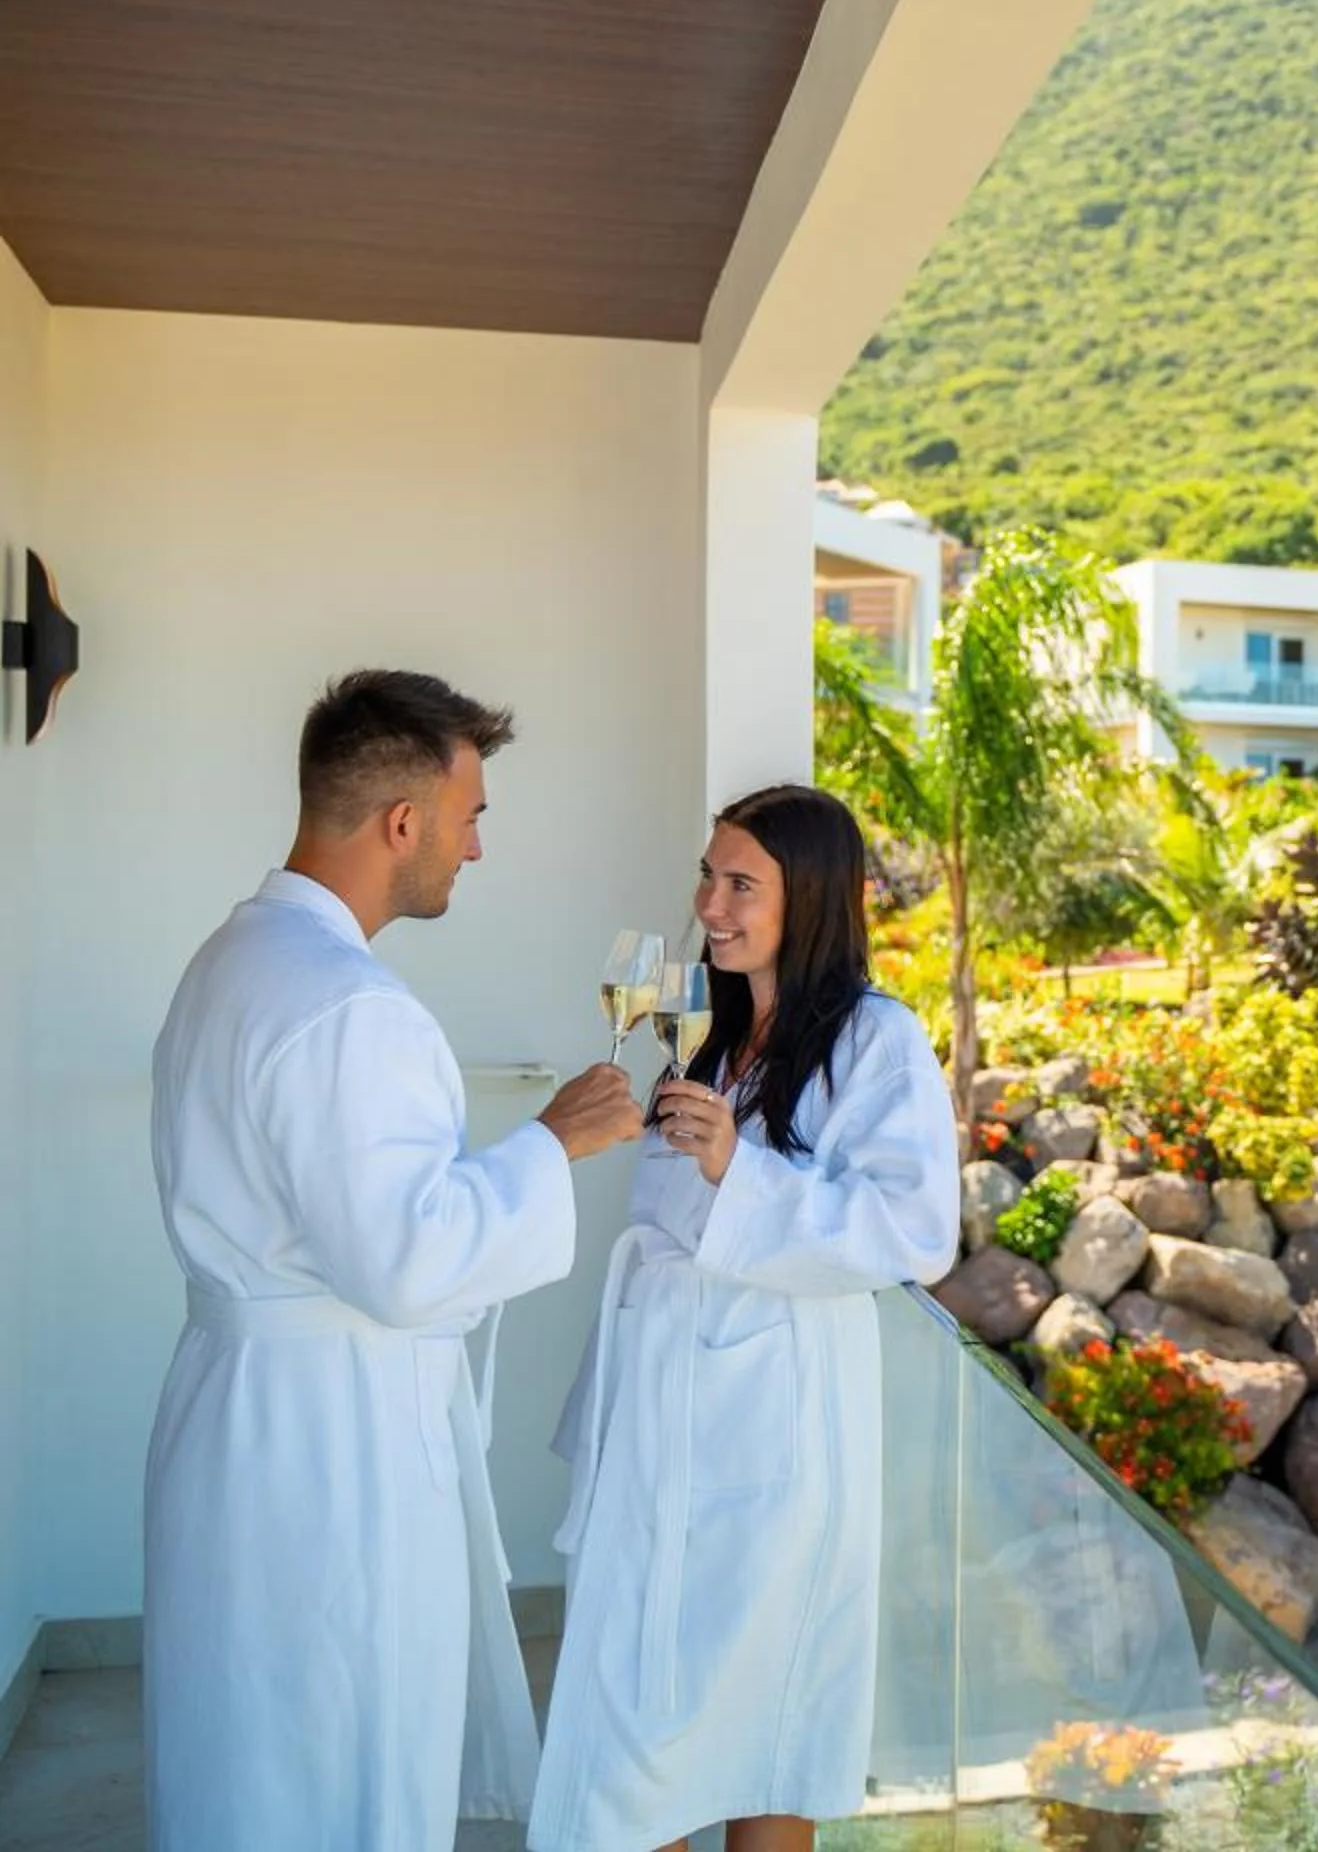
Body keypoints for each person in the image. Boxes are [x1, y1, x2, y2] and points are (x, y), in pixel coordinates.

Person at [144, 670, 648, 1848]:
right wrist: (553, 1142)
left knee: (246, 1754)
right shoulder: (349, 1006)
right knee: (342, 1752)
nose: (477, 848)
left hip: (233, 1413)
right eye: (471, 816)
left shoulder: (228, 959)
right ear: (403, 821)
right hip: (334, 1446)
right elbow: (406, 1261)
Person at [531, 784, 960, 1852]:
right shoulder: (710, 1033)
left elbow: (915, 1232)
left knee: (771, 1719)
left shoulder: (877, 1039)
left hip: (780, 1423)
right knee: (635, 1727)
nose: (708, 904)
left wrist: (740, 1167)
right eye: (707, 875)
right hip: (666, 1403)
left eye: (739, 883)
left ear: (806, 898)